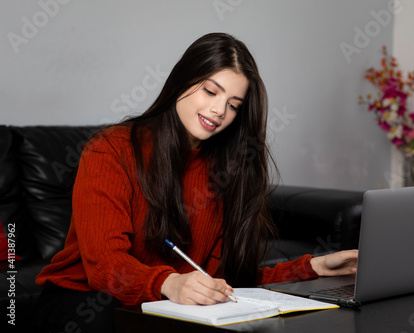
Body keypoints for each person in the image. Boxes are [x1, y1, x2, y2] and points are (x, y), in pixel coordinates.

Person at [34, 32, 358, 332]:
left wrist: (313, 267)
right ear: (182, 80)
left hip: (164, 302)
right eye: (210, 91)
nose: (219, 111)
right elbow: (105, 266)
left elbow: (230, 279)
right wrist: (171, 283)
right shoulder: (110, 150)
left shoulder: (226, 170)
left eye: (233, 105)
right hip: (84, 298)